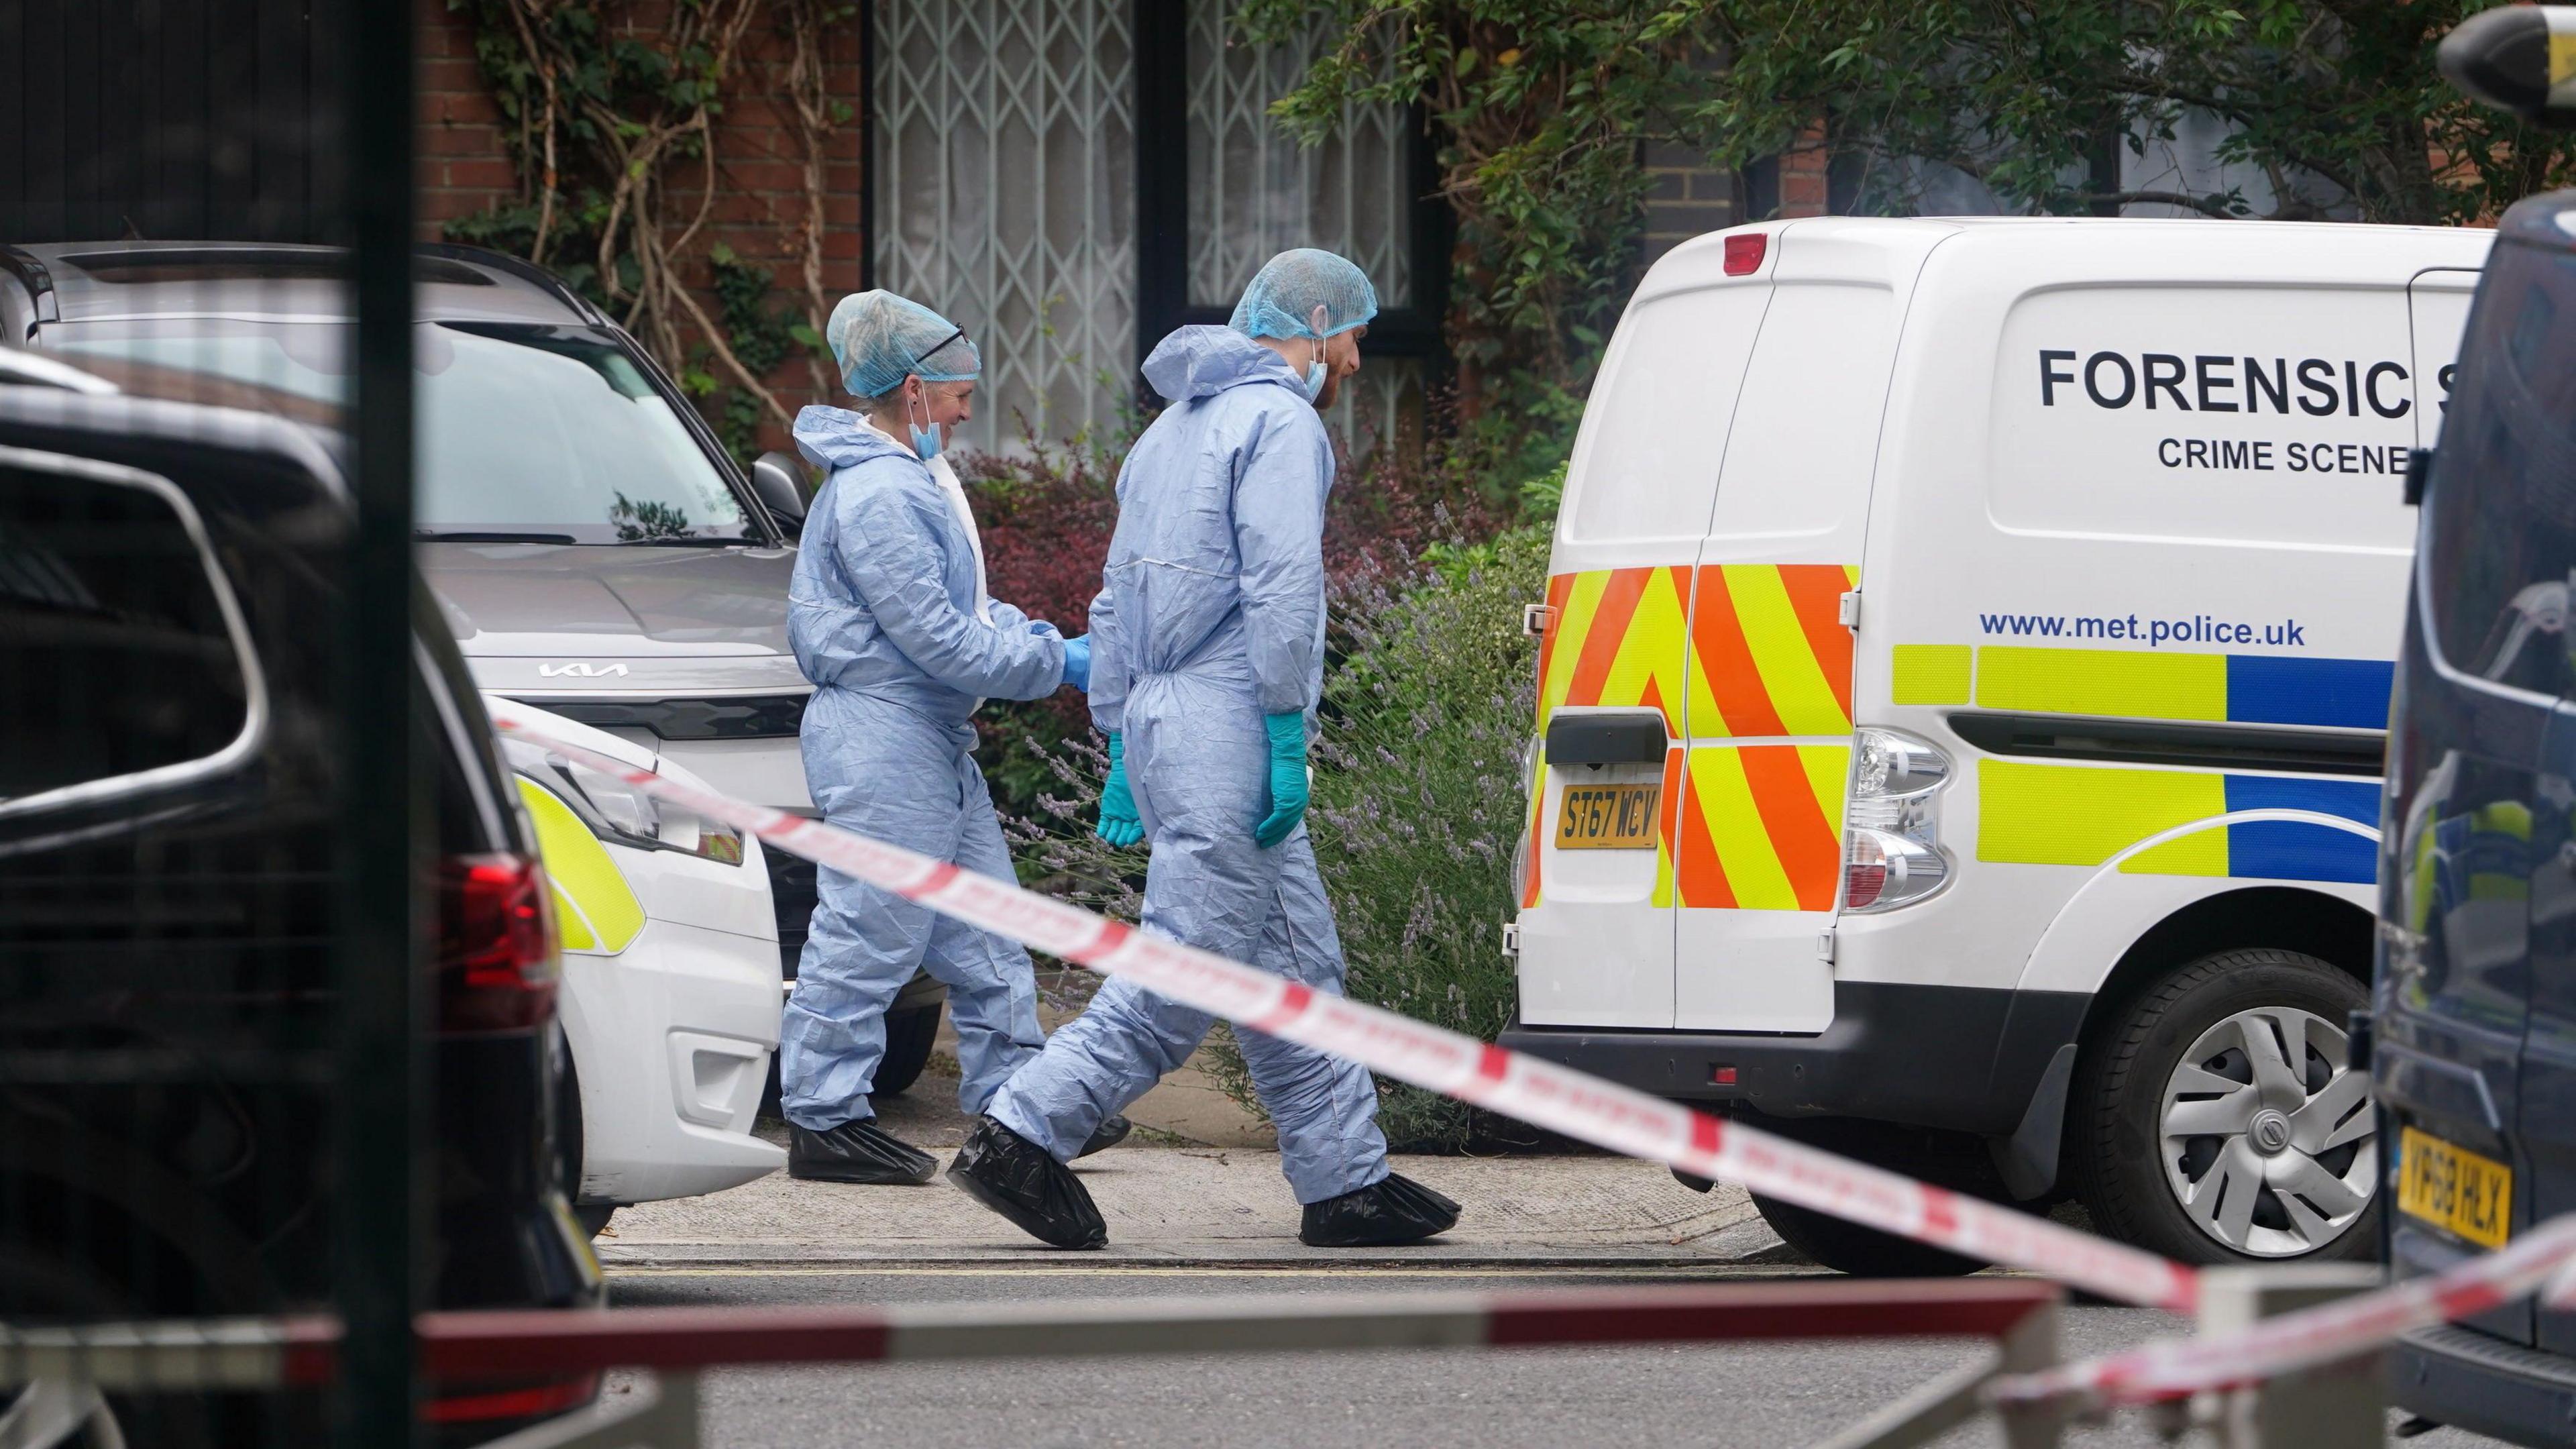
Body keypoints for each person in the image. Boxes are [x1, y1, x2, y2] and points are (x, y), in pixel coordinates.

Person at [947, 250, 1462, 1248]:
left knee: (1295, 964)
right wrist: (1281, 724)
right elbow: (1282, 591)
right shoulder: (1280, 423)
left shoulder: (1165, 436)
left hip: (1167, 720)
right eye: (1351, 335)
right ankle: (1024, 1128)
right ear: (1312, 321)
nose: (1354, 360)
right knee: (1191, 969)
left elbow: (1112, 597)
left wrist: (1120, 745)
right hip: (1233, 722)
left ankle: (1345, 1180)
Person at [781, 290, 1127, 1183]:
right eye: (960, 391)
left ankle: (1018, 1106)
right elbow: (937, 638)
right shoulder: (877, 494)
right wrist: (1058, 664)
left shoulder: (912, 479)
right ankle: (824, 1117)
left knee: (987, 929)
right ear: (911, 391)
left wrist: (1042, 641)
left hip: (924, 735)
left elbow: (962, 612)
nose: (971, 407)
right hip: (882, 734)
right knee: (871, 929)